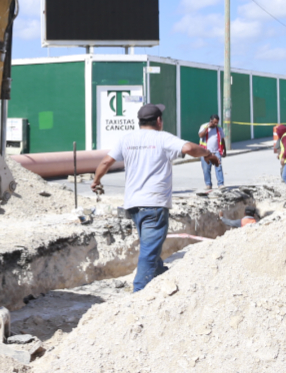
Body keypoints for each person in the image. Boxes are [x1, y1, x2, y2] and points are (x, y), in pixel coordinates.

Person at [91, 103, 220, 292]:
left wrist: (96, 180)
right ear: (159, 121)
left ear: (140, 121)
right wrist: (208, 153)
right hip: (154, 205)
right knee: (148, 251)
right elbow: (190, 148)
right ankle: (140, 292)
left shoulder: (126, 139)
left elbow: (105, 161)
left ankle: (158, 272)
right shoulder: (163, 138)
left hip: (133, 205)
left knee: (149, 243)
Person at [197, 114, 226, 193]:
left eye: (217, 122)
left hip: (216, 152)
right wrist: (207, 127)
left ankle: (220, 184)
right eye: (214, 122)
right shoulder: (204, 126)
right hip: (205, 152)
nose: (216, 124)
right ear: (211, 121)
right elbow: (200, 135)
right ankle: (208, 184)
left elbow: (222, 140)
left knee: (218, 167)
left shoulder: (219, 128)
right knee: (206, 169)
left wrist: (224, 151)